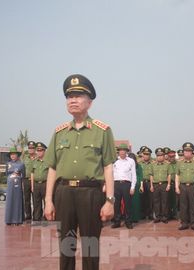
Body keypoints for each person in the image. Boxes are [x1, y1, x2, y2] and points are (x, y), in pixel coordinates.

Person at [43, 74, 116, 270]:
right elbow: (52, 168)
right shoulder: (59, 133)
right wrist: (48, 200)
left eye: (78, 96)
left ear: (89, 102)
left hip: (90, 194)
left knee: (91, 245)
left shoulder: (102, 131)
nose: (73, 100)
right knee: (66, 245)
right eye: (69, 96)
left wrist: (110, 201)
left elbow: (108, 166)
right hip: (64, 193)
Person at [175, 142, 194, 231]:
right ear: (183, 152)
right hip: (182, 186)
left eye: (189, 151)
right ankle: (184, 223)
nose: (187, 153)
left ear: (192, 152)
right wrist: (176, 187)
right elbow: (177, 175)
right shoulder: (179, 163)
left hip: (193, 186)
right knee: (183, 206)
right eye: (185, 151)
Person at [111, 143, 137, 229]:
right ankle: (117, 221)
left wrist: (132, 187)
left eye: (124, 150)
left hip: (126, 184)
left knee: (127, 204)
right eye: (120, 150)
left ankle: (128, 222)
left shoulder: (131, 161)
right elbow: (110, 174)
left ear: (126, 152)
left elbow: (134, 174)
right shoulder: (114, 161)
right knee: (116, 204)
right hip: (116, 184)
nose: (122, 152)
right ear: (118, 152)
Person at [150, 148, 172, 223]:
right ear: (156, 156)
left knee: (164, 201)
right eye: (158, 156)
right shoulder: (153, 165)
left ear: (163, 156)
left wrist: (168, 184)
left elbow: (169, 175)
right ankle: (157, 216)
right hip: (155, 184)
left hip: (164, 184)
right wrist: (151, 185)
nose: (160, 157)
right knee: (156, 201)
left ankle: (164, 217)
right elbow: (151, 176)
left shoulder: (167, 164)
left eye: (161, 155)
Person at [5, 147, 26, 225]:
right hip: (10, 184)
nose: (13, 156)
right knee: (9, 201)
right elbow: (6, 174)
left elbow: (23, 175)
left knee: (17, 201)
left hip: (18, 184)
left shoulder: (21, 164)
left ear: (17, 155)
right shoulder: (8, 164)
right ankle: (9, 220)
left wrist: (18, 176)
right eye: (11, 154)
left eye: (14, 154)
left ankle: (17, 220)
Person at [31, 142, 48, 226]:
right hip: (36, 184)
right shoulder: (34, 161)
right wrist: (32, 186)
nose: (39, 152)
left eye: (41, 150)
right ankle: (37, 219)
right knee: (36, 203)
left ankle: (45, 219)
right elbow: (32, 174)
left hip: (45, 184)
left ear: (44, 151)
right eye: (37, 150)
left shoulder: (48, 161)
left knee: (46, 202)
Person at [138, 147, 154, 220]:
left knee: (150, 199)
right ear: (142, 155)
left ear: (150, 155)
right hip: (141, 183)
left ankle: (150, 214)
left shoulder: (153, 163)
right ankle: (142, 214)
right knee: (142, 199)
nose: (146, 156)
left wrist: (152, 185)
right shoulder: (139, 163)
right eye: (145, 154)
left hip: (149, 182)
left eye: (148, 154)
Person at [23, 140, 36, 221]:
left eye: (32, 148)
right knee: (26, 199)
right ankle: (28, 215)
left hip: (35, 181)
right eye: (29, 148)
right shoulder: (25, 158)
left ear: (35, 149)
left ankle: (36, 216)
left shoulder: (38, 157)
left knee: (35, 200)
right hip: (26, 180)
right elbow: (22, 170)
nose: (31, 149)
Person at [129, 152, 143, 223]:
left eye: (132, 158)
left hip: (136, 185)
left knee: (136, 202)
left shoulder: (138, 166)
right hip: (128, 185)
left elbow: (140, 176)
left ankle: (136, 217)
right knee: (129, 202)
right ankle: (129, 217)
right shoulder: (127, 165)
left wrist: (141, 185)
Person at [167, 149, 178, 220]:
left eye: (173, 156)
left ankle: (175, 214)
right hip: (168, 184)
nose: (171, 158)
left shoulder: (178, 163)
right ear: (168, 157)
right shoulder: (166, 164)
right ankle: (169, 214)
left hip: (176, 184)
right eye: (170, 157)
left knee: (176, 200)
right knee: (168, 200)